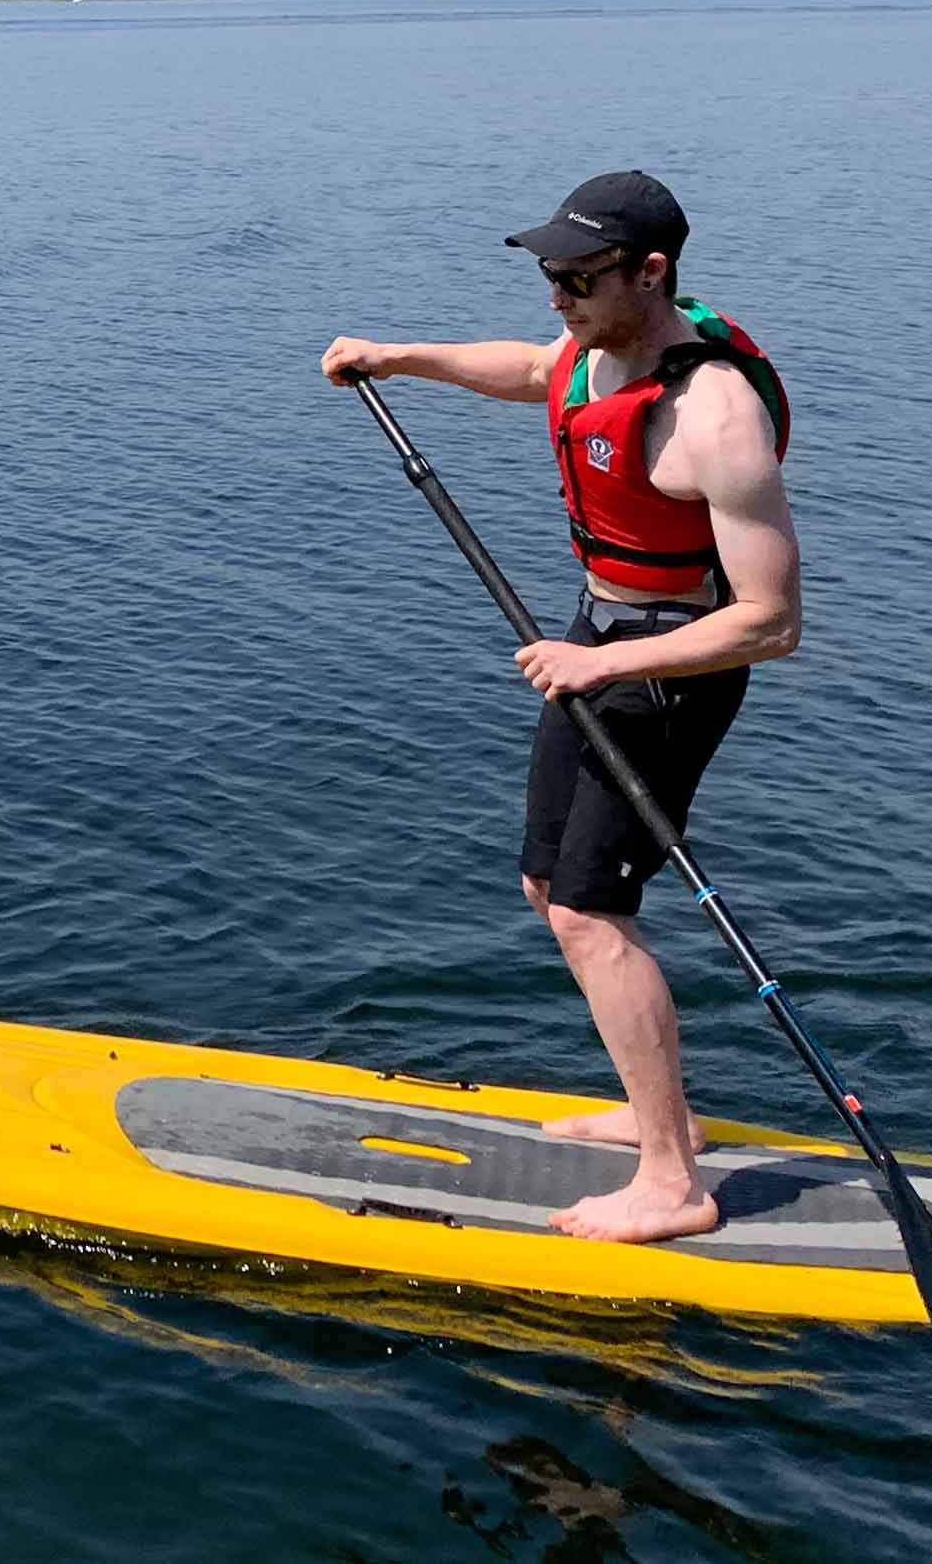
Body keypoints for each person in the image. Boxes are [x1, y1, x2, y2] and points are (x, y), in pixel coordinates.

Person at [317, 170, 801, 1244]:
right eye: (549, 275)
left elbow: (770, 622)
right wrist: (398, 356)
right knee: (549, 884)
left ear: (652, 272)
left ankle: (672, 1177)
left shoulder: (715, 416)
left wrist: (607, 669)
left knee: (591, 912)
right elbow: (539, 369)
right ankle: (651, 1109)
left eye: (578, 278)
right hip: (594, 639)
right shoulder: (595, 343)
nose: (558, 299)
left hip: (672, 669)